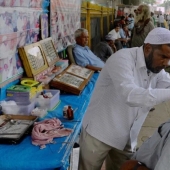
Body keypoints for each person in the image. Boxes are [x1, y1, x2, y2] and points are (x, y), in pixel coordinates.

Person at [78, 27, 170, 170]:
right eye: (163, 57)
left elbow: (167, 84)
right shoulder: (122, 59)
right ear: (147, 48)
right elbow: (131, 95)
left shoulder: (156, 69)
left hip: (126, 137)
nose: (166, 63)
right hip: (99, 133)